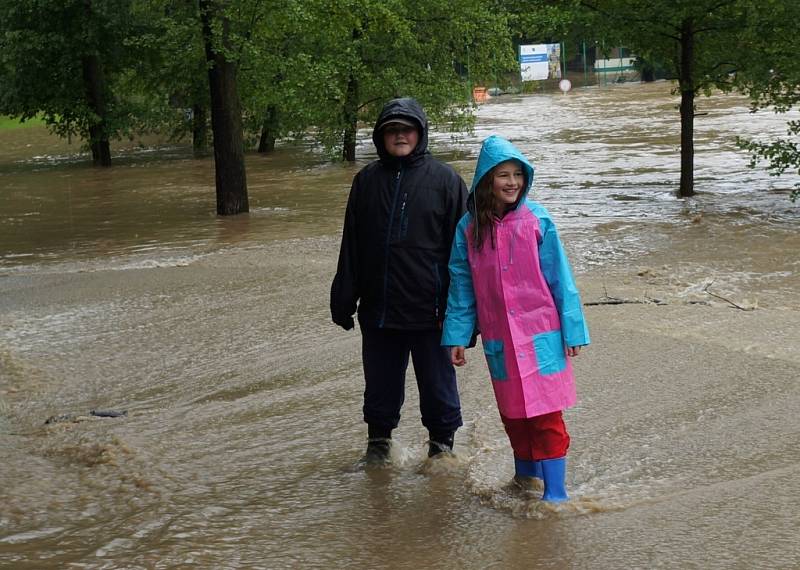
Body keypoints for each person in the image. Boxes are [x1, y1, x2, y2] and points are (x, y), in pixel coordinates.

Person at [441, 135, 590, 501]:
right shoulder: (468, 230)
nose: (512, 182)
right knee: (514, 415)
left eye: (518, 175)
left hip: (543, 336)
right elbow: (461, 288)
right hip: (500, 340)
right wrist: (456, 336)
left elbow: (561, 279)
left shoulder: (537, 220)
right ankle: (525, 482)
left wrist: (573, 331)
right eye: (503, 175)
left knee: (546, 418)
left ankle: (555, 494)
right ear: (486, 180)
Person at [330, 97, 468, 463]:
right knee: (380, 388)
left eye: (406, 129)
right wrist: (343, 299)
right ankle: (379, 446)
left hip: (432, 314)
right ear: (380, 137)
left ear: (420, 133)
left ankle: (441, 450)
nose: (400, 136)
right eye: (392, 130)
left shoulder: (447, 182)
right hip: (379, 312)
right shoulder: (366, 182)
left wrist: (465, 318)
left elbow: (465, 257)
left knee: (438, 390)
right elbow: (352, 245)